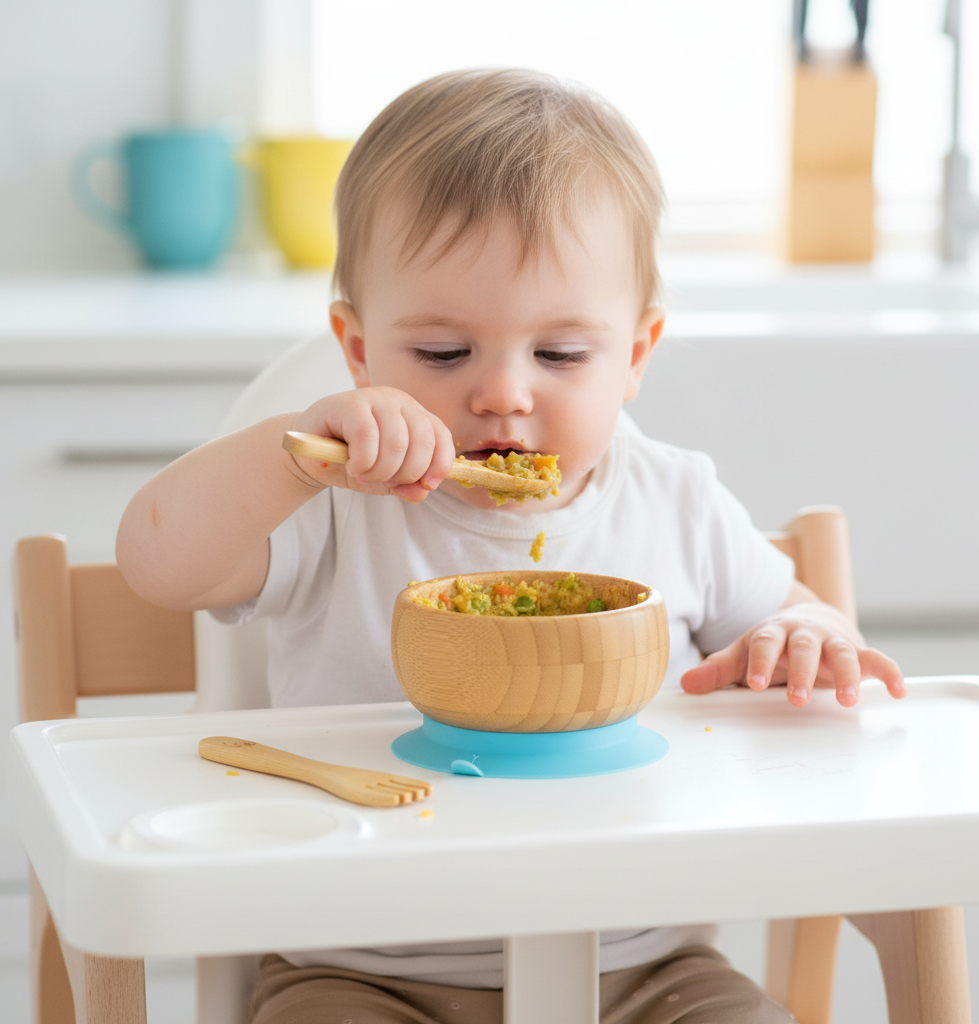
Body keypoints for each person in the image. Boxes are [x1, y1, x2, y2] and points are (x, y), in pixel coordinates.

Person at [117, 68, 904, 1024]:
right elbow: (157, 564)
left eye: (562, 354)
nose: (502, 394)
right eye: (443, 355)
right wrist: (295, 456)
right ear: (359, 353)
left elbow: (796, 622)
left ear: (636, 355)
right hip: (364, 968)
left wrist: (807, 634)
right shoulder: (334, 506)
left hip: (649, 974)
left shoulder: (678, 500)